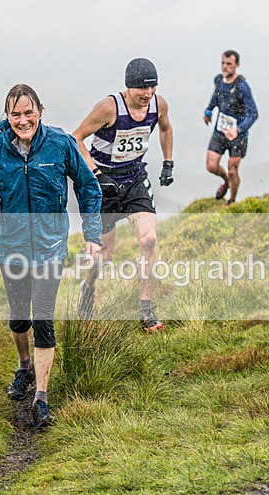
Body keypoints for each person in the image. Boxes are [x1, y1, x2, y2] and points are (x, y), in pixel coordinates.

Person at [0, 84, 102, 428]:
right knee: (18, 318)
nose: (23, 120)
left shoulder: (59, 144)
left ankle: (41, 397)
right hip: (11, 249)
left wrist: (92, 235)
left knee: (43, 319)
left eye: (28, 113)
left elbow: (87, 186)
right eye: (15, 114)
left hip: (50, 249)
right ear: (7, 116)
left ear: (40, 110)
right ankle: (24, 365)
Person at [71, 58, 174, 332]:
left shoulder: (158, 104)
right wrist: (97, 174)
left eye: (153, 87)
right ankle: (88, 288)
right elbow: (76, 137)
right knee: (105, 256)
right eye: (143, 89)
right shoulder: (109, 107)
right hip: (104, 185)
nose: (148, 94)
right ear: (129, 87)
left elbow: (165, 127)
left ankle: (145, 309)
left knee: (149, 239)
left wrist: (168, 162)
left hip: (134, 180)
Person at [203, 50, 258, 205]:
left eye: (229, 64)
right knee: (211, 166)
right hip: (220, 131)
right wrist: (208, 110)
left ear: (237, 65)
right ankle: (226, 181)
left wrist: (238, 129)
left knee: (233, 170)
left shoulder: (242, 86)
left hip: (237, 136)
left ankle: (232, 201)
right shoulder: (219, 80)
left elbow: (253, 114)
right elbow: (216, 96)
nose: (225, 67)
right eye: (223, 63)